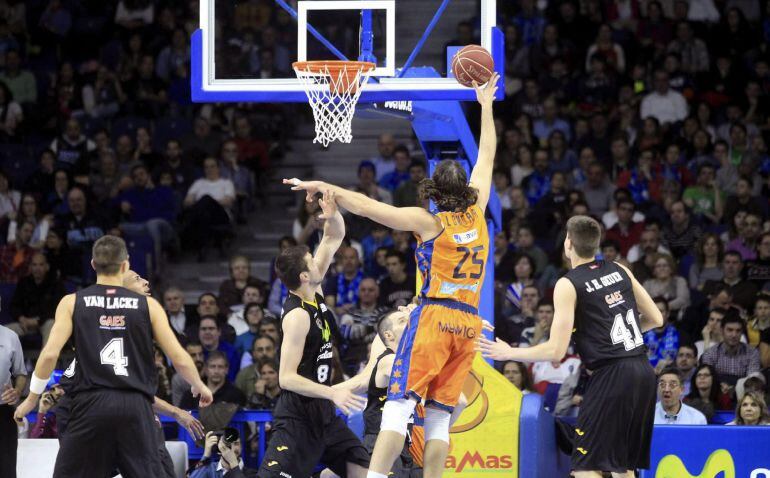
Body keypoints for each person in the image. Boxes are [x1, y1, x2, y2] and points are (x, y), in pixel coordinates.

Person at [285, 74, 499, 478]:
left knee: (398, 407)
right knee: (438, 416)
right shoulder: (479, 211)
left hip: (435, 317)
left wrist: (323, 185)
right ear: (468, 192)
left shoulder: (428, 221)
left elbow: (367, 206)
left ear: (433, 192)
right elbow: (487, 155)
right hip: (468, 323)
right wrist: (486, 106)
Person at [478, 215, 664, 478]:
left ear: (568, 243)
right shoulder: (620, 270)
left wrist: (510, 352)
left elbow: (556, 350)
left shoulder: (568, 283)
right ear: (596, 244)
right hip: (642, 371)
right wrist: (612, 339)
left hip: (610, 375)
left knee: (585, 467)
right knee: (623, 467)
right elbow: (656, 319)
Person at [13, 235, 213, 478]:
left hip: (90, 404)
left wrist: (32, 399)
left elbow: (49, 356)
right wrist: (199, 384)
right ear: (125, 265)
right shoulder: (147, 306)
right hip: (135, 405)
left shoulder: (71, 302)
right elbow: (179, 357)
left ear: (93, 265)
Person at [257, 190, 370, 478]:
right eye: (311, 259)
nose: (317, 261)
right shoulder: (297, 316)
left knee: (365, 468)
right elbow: (286, 378)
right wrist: (333, 391)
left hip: (324, 414)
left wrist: (332, 213)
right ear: (304, 276)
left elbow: (333, 239)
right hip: (297, 415)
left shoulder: (313, 289)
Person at [701, 309, 761, 386]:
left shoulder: (752, 353)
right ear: (722, 330)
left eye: (738, 331)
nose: (734, 335)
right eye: (730, 330)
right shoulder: (710, 353)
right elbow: (707, 380)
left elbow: (753, 381)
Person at [1, 322, 27, 478]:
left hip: (3, 412)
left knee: (7, 468)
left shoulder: (11, 337)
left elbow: (21, 374)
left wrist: (17, 391)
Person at [179, 352, 245, 408]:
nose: (216, 371)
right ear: (206, 369)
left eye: (220, 367)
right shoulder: (192, 394)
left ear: (227, 369)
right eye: (212, 366)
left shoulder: (237, 395)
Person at [190, 428, 257, 477]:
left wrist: (233, 463)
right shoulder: (209, 469)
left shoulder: (251, 473)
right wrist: (206, 454)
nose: (232, 449)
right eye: (228, 444)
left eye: (236, 443)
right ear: (219, 448)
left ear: (241, 447)